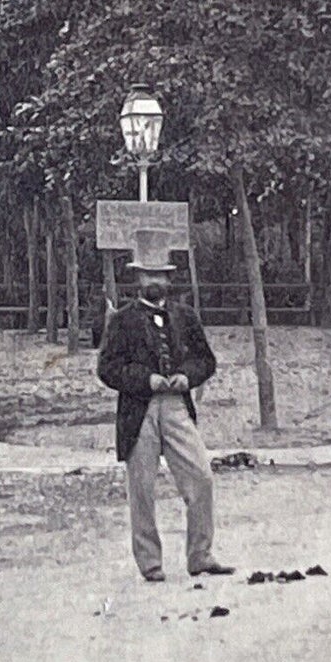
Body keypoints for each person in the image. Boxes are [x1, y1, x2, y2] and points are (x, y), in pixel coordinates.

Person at [96, 229, 233, 583]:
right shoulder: (122, 320)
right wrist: (146, 380)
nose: (153, 281)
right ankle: (150, 563)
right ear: (137, 278)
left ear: (169, 278)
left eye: (160, 274)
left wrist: (187, 377)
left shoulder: (185, 316)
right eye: (147, 274)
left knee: (201, 476)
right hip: (138, 412)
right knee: (142, 489)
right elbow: (107, 369)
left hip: (176, 408)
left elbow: (207, 360)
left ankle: (200, 555)